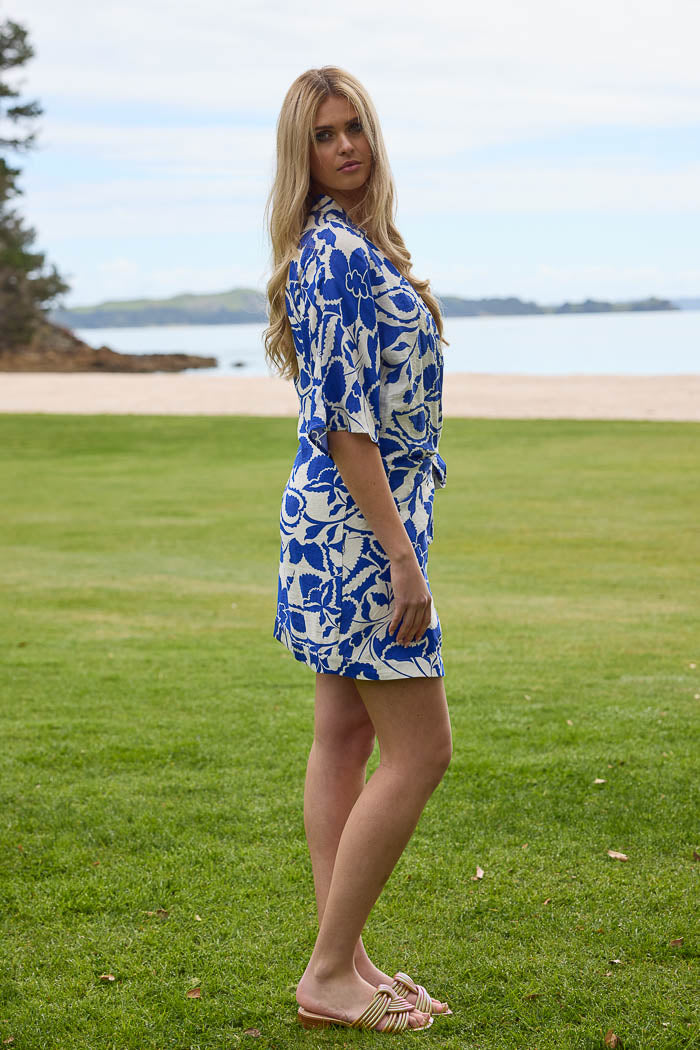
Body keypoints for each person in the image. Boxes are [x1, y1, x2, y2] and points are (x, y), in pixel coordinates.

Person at [264, 66, 453, 1033]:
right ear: (301, 154)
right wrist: (402, 556)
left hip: (339, 529)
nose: (345, 146)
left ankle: (348, 960)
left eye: (354, 128)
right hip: (358, 539)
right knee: (422, 752)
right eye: (324, 135)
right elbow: (346, 426)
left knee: (343, 737)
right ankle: (330, 972)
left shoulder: (347, 244)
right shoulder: (334, 255)